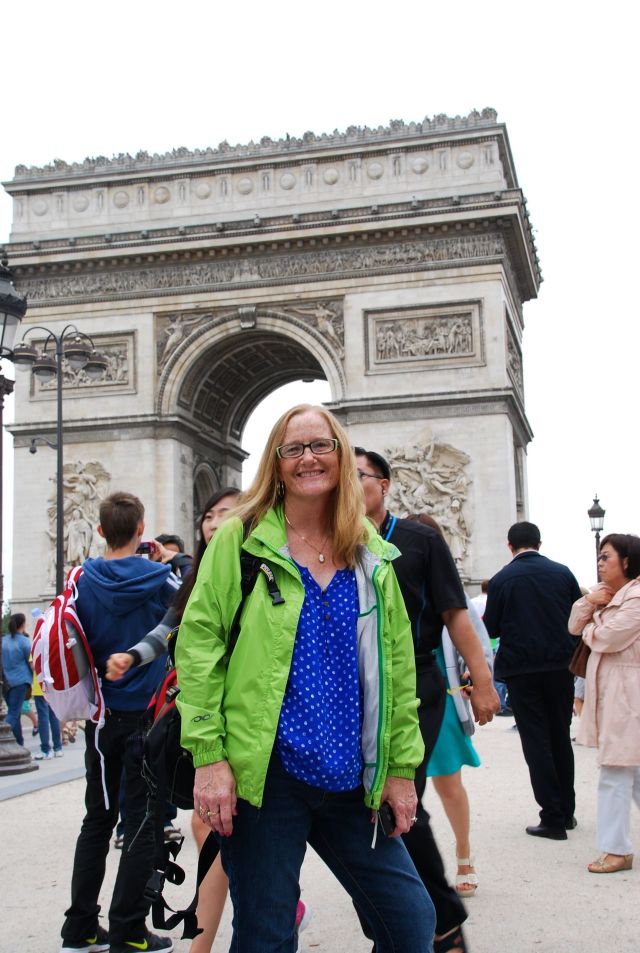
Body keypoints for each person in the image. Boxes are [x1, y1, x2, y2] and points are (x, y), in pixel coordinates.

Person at [175, 406, 435, 953]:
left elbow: (397, 666)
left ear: (342, 455)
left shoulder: (370, 551)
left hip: (350, 774)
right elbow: (198, 648)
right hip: (265, 774)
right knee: (266, 938)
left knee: (411, 922)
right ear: (275, 462)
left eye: (321, 445)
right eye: (292, 449)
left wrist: (400, 768)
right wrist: (210, 756)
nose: (308, 458)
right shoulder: (239, 540)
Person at [355, 450, 499, 953]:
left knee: (400, 803)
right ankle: (398, 925)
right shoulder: (332, 539)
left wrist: (483, 681)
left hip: (416, 684)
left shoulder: (421, 539)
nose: (349, 483)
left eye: (359, 475)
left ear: (385, 484)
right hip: (352, 687)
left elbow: (455, 612)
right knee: (360, 812)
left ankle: (441, 921)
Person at [107, 489, 244, 953]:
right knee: (213, 829)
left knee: (223, 831)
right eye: (209, 515)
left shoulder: (263, 569)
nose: (215, 522)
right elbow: (166, 629)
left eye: (228, 513)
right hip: (201, 720)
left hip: (245, 720)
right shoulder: (196, 577)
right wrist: (131, 656)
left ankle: (269, 906)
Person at [59, 491, 180, 953]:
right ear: (141, 528)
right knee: (143, 821)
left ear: (99, 530)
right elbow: (189, 612)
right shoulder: (160, 579)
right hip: (148, 717)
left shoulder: (81, 580)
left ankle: (80, 928)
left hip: (102, 717)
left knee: (97, 819)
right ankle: (128, 929)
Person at [410, 514, 493, 899]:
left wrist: (479, 681)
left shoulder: (449, 591)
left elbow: (476, 641)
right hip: (397, 694)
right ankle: (410, 871)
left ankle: (464, 854)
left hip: (441, 694)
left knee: (448, 785)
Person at [484, 521, 582, 840]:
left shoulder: (501, 580)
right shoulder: (563, 573)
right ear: (539, 544)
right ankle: (567, 811)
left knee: (536, 741)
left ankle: (551, 817)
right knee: (560, 736)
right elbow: (576, 618)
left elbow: (491, 628)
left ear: (509, 546)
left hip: (522, 670)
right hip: (560, 666)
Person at [568, 533, 640, 874]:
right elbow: (573, 625)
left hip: (628, 694)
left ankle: (616, 850)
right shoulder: (606, 595)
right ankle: (616, 848)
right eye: (599, 556)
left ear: (626, 561)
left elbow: (607, 637)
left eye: (606, 556)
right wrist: (589, 601)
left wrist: (591, 625)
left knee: (615, 771)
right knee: (631, 770)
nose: (600, 563)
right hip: (616, 693)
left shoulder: (636, 598)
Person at [2, 613, 33, 746]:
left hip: (6, 682)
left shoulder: (4, 640)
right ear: (23, 624)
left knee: (15, 712)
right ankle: (3, 736)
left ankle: (19, 743)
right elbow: (31, 663)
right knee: (14, 714)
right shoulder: (24, 641)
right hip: (20, 681)